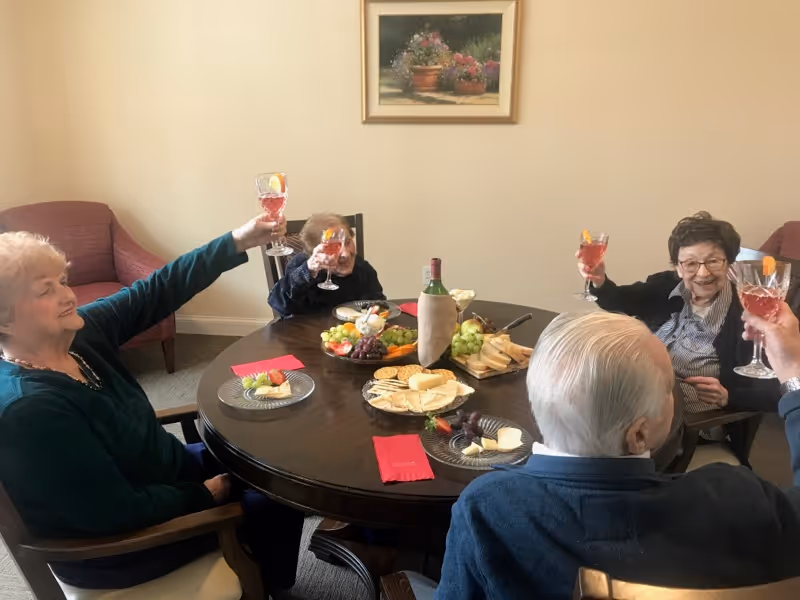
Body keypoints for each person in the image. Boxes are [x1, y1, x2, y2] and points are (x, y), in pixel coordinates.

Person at [0, 217, 304, 597]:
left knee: (275, 464)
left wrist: (238, 240)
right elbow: (111, 512)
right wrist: (210, 493)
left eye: (63, 281)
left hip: (162, 477)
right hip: (124, 548)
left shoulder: (77, 335)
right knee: (275, 500)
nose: (67, 296)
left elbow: (158, 289)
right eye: (46, 291)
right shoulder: (30, 411)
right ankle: (268, 585)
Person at [435, 307, 800, 600]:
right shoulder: (736, 499)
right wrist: (795, 374)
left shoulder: (486, 507)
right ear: (639, 434)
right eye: (669, 388)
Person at [578, 212, 779, 461]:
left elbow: (777, 390)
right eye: (691, 264)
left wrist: (728, 395)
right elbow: (619, 299)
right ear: (678, 267)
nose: (703, 274)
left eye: (713, 261)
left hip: (686, 425)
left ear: (729, 263)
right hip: (636, 401)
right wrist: (598, 280)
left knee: (599, 446)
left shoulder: (747, 316)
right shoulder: (666, 286)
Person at [268, 213, 384, 318]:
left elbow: (378, 304)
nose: (346, 254)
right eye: (334, 247)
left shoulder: (362, 268)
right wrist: (308, 270)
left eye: (348, 242)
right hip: (305, 336)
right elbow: (278, 304)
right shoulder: (300, 266)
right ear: (315, 251)